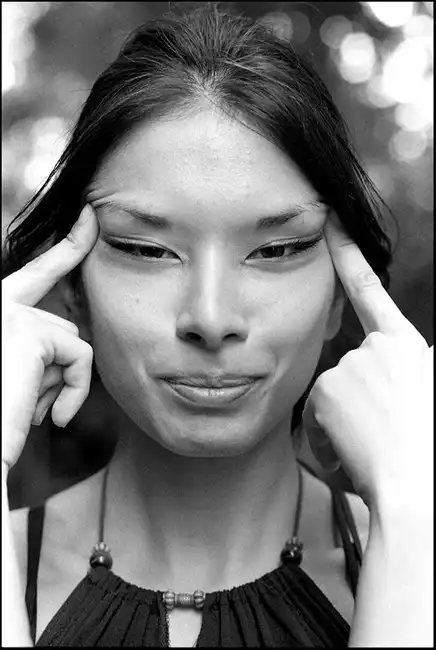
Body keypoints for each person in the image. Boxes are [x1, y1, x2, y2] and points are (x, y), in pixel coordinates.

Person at [2, 4, 433, 647]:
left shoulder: (417, 546)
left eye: (276, 249)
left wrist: (412, 512)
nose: (210, 318)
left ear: (341, 293)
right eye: (147, 250)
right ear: (73, 288)